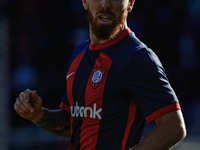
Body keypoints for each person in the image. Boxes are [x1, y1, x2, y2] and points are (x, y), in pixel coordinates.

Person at [14, 0, 187, 149]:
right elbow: (73, 121)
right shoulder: (79, 54)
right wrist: (38, 115)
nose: (105, 5)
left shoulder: (137, 58)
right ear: (84, 1)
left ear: (130, 4)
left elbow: (174, 126)